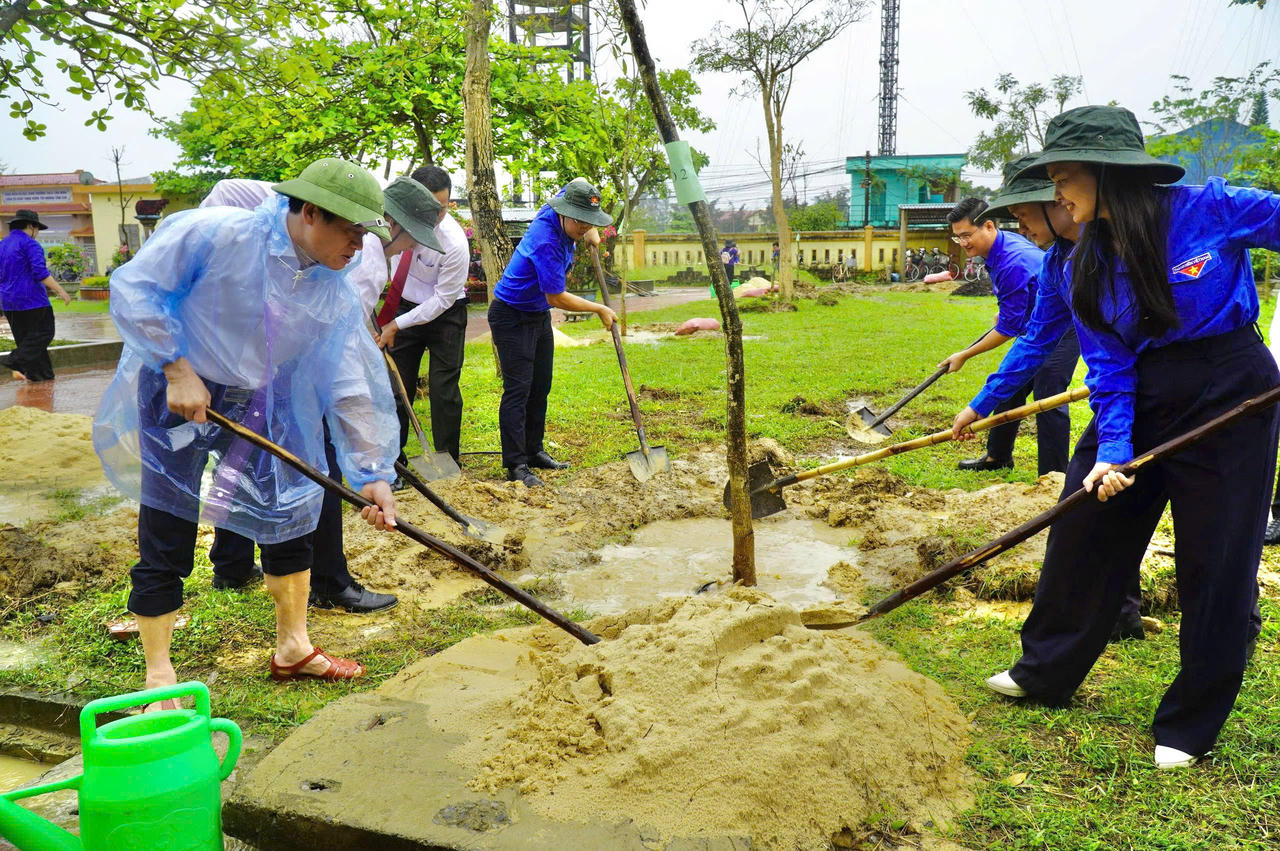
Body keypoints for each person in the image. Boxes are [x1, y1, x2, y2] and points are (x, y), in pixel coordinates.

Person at [977, 105, 1280, 769]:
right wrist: (1114, 450)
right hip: (1141, 390)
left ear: (1107, 172)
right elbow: (1109, 365)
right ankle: (1045, 668)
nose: (1055, 192)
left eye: (1063, 177)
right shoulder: (1077, 263)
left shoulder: (1209, 208)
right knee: (1085, 518)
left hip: (1233, 386)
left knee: (1216, 553)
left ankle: (1192, 721)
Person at [94, 158, 402, 703]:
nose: (359, 246)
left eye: (365, 234)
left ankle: (293, 647)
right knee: (168, 518)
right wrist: (176, 369)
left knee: (291, 506)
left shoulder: (332, 285)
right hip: (181, 388)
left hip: (266, 396)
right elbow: (138, 288)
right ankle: (159, 675)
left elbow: (349, 377)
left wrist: (371, 471)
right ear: (311, 213)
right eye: (351, 231)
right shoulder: (217, 235)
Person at [197, 173, 444, 613]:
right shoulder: (361, 255)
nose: (411, 248)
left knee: (241, 453)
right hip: (283, 364)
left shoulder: (322, 230)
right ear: (392, 223)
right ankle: (330, 580)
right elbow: (341, 345)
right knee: (319, 462)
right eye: (412, 239)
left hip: (256, 356)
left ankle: (230, 564)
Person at [950, 154, 1151, 643]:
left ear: (1060, 204)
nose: (1021, 227)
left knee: (1205, 531)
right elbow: (1034, 337)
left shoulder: (1138, 239)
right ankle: (1113, 617)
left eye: (1024, 215)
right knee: (1088, 506)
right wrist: (979, 405)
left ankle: (1222, 630)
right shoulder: (1061, 261)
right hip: (1122, 392)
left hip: (1178, 388)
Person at [488, 177, 617, 487]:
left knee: (540, 386)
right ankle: (516, 464)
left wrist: (591, 228)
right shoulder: (546, 240)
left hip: (537, 314)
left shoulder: (564, 205)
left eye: (589, 220)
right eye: (580, 222)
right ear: (564, 213)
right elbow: (556, 297)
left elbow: (579, 182)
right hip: (512, 315)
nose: (584, 227)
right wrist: (599, 308)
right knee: (518, 390)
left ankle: (533, 451)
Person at [938, 196, 1072, 476]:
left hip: (1064, 325)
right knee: (1008, 381)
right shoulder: (999, 249)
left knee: (1048, 394)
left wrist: (964, 355)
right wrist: (1011, 313)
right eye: (957, 237)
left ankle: (1054, 476)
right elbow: (1020, 303)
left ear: (988, 226)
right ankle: (997, 456)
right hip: (1038, 320)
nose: (963, 243)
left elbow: (1008, 329)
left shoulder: (1012, 261)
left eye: (966, 235)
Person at [377, 166, 470, 466]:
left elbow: (442, 299)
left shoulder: (454, 243)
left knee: (444, 390)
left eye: (442, 208)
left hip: (446, 315)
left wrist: (396, 324)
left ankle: (447, 461)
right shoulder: (391, 227)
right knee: (397, 386)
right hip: (404, 305)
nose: (436, 215)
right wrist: (394, 320)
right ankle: (395, 463)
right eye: (429, 207)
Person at [0, 210, 71, 382]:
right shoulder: (30, 244)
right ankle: (14, 360)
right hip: (32, 300)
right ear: (31, 226)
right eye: (37, 228)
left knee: (28, 341)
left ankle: (41, 376)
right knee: (45, 332)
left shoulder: (2, 245)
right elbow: (40, 272)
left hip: (9, 302)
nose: (37, 233)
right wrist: (61, 290)